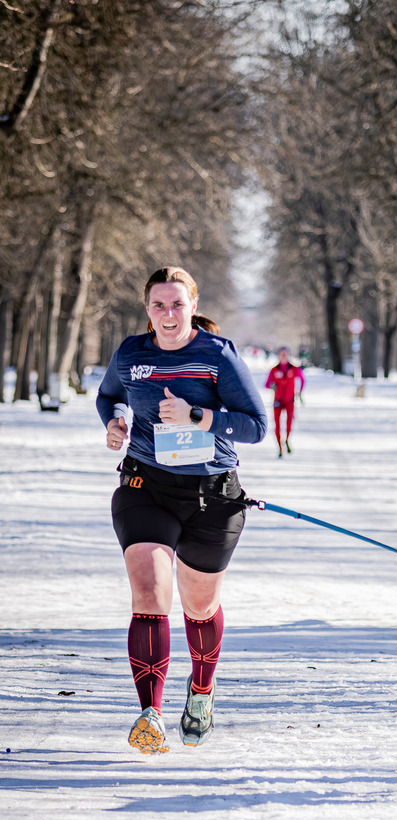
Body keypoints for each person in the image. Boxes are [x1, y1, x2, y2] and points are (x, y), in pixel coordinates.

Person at [96, 266, 267, 754]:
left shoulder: (217, 355)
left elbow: (257, 426)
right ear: (147, 308)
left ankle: (201, 691)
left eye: (177, 304)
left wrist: (201, 416)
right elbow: (111, 395)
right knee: (149, 592)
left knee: (198, 605)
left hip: (213, 496)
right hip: (145, 484)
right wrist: (116, 420)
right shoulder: (132, 353)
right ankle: (150, 712)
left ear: (193, 305)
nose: (168, 315)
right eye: (158, 305)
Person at [265, 346, 305, 456]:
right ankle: (279, 446)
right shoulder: (274, 370)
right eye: (281, 354)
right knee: (277, 425)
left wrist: (299, 393)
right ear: (278, 355)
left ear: (288, 355)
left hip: (290, 400)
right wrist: (272, 386)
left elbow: (302, 379)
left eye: (285, 354)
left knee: (289, 424)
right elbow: (267, 384)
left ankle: (287, 440)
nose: (283, 356)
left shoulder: (294, 369)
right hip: (277, 401)